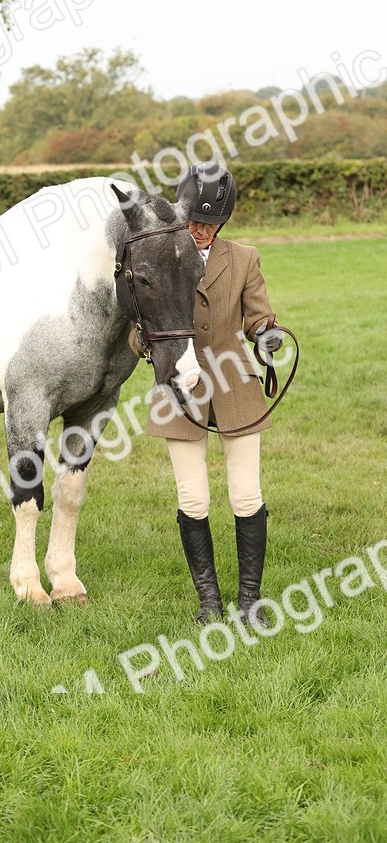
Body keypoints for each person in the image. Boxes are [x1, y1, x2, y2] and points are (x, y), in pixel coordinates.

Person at [145, 163, 284, 624]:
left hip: (234, 383)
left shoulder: (244, 258)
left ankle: (250, 601)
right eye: (195, 221)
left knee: (246, 494)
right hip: (180, 387)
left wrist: (267, 335)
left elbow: (259, 316)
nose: (202, 231)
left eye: (211, 223)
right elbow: (139, 331)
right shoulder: (161, 259)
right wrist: (147, 343)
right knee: (194, 499)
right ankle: (209, 601)